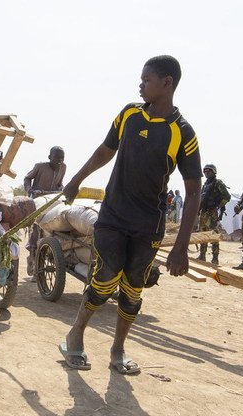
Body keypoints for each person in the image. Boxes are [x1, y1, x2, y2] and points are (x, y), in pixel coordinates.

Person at [59, 55, 201, 374]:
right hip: (113, 216)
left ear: (167, 83)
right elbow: (104, 152)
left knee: (134, 288)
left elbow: (193, 191)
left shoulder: (183, 132)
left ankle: (118, 350)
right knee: (106, 277)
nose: (140, 84)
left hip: (148, 225)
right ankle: (75, 335)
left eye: (146, 79)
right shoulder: (129, 115)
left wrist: (181, 247)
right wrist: (75, 181)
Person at [24, 146, 67, 275]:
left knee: (51, 230)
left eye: (62, 158)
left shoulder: (63, 167)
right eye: (56, 158)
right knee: (36, 230)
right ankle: (32, 257)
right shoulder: (40, 167)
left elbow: (60, 183)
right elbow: (27, 178)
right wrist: (29, 190)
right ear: (49, 157)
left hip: (53, 201)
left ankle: (44, 257)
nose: (59, 161)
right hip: (38, 202)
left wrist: (62, 189)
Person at [197, 164, 230, 264]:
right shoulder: (206, 184)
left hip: (212, 212)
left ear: (214, 172)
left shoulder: (217, 183)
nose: (207, 173)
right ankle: (202, 255)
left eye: (209, 171)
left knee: (213, 234)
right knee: (203, 234)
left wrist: (217, 206)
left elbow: (227, 197)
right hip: (204, 212)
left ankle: (215, 257)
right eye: (205, 172)